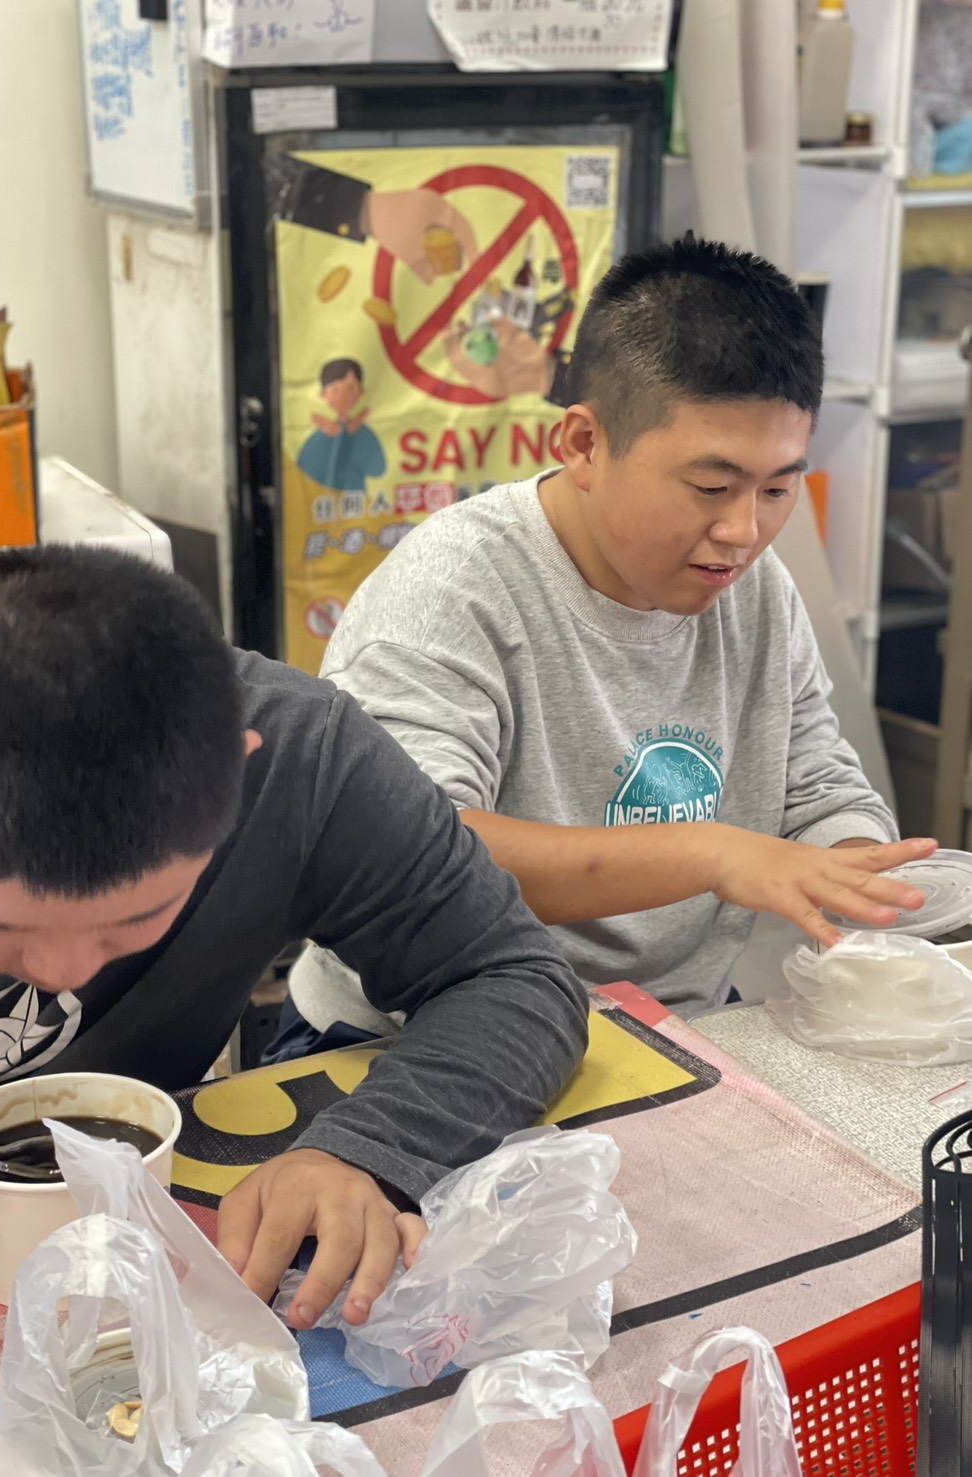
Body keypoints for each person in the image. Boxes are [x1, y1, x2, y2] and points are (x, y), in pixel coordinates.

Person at [0, 547, 588, 1331]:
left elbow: (513, 973)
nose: (63, 974)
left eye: (133, 918)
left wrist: (367, 1147)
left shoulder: (302, 762)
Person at [273, 237, 934, 1059]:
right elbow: (417, 859)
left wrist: (857, 866)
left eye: (777, 487)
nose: (743, 530)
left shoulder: (755, 588)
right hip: (424, 1033)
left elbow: (816, 783)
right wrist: (711, 853)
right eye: (711, 486)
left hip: (670, 1026)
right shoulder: (451, 589)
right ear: (584, 444)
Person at [297, 358, 386, 494]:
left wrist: (356, 436)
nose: (343, 396)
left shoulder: (363, 432)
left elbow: (378, 469)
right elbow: (304, 469)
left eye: (351, 388)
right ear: (323, 394)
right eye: (335, 389)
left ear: (361, 391)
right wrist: (326, 437)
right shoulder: (321, 435)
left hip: (357, 502)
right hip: (322, 502)